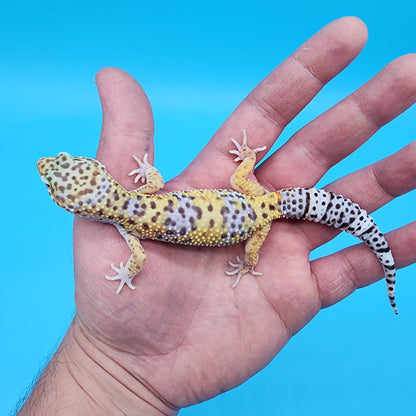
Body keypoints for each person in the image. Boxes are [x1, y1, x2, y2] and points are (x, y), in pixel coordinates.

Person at [17, 16, 416, 415]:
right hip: (253, 202)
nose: (49, 163)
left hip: (257, 217)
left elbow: (136, 259)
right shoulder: (139, 198)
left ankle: (374, 250)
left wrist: (245, 263)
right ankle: (372, 249)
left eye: (63, 165)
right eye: (58, 175)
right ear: (96, 182)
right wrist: (244, 173)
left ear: (91, 188)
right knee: (272, 207)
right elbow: (153, 181)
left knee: (273, 243)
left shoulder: (129, 225)